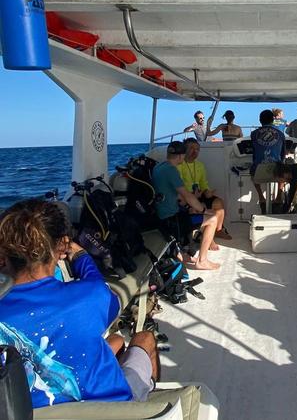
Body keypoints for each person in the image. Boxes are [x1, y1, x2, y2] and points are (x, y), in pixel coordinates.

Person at [0, 199, 159, 408]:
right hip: (116, 411)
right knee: (144, 338)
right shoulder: (90, 295)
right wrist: (81, 255)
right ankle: (149, 399)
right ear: (61, 246)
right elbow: (106, 299)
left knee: (115, 341)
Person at [152, 141, 219, 270]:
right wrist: (204, 210)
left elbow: (172, 193)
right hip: (172, 220)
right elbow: (187, 195)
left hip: (161, 216)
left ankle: (185, 255)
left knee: (192, 212)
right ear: (181, 156)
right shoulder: (171, 170)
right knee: (212, 219)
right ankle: (202, 261)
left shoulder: (159, 167)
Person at [178, 138, 232, 240]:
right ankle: (206, 236)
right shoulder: (180, 165)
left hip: (199, 194)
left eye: (197, 149)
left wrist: (207, 191)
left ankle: (218, 230)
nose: (195, 151)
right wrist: (193, 195)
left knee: (219, 203)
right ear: (184, 149)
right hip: (187, 197)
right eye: (192, 148)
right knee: (202, 206)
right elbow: (179, 187)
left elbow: (203, 183)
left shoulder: (199, 165)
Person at [251, 109, 286, 214]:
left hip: (259, 173)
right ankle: (278, 197)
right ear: (272, 120)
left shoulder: (254, 134)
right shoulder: (281, 134)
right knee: (283, 168)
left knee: (252, 172)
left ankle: (261, 198)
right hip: (276, 172)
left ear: (260, 120)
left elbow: (254, 151)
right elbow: (283, 155)